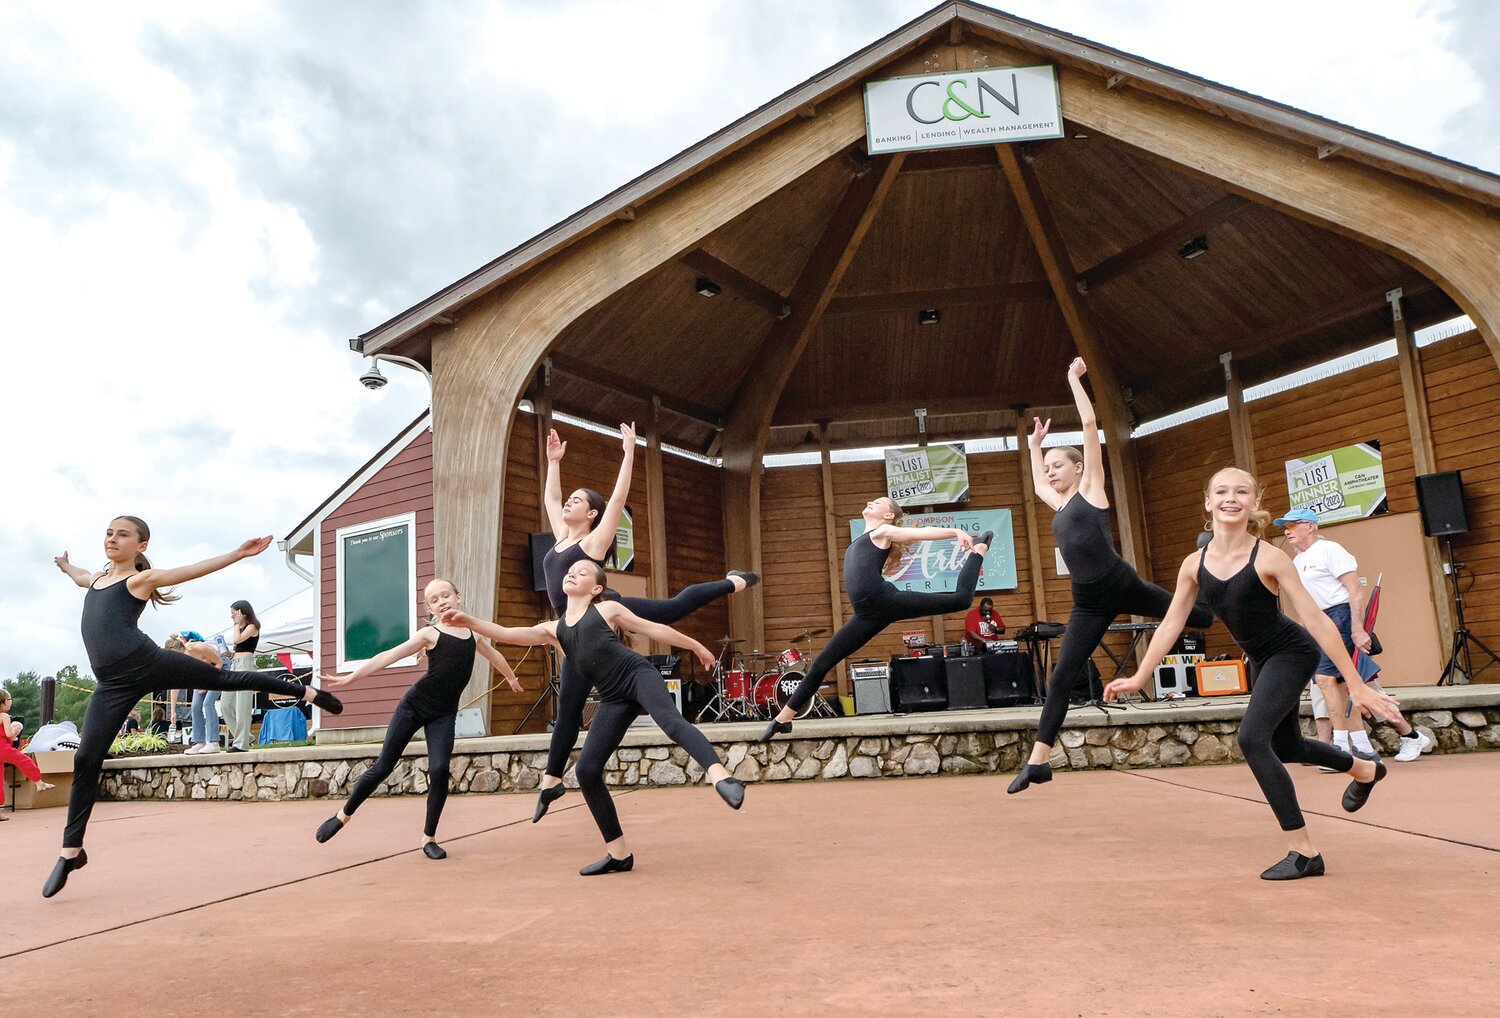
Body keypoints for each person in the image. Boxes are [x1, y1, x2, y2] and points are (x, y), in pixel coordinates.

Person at [1104, 468, 1403, 880]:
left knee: (1251, 738)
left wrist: (1355, 683)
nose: (1231, 497)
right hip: (1261, 656)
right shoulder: (1195, 564)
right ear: (1208, 503)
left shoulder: (1270, 558)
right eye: (1222, 491)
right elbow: (1172, 622)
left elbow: (1315, 621)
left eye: (1241, 491)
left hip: (1292, 651)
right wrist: (1140, 676)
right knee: (1286, 746)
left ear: (1255, 504)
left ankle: (1304, 852)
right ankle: (1366, 769)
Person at [46, 516, 344, 898]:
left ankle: (307, 693)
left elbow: (190, 571)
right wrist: (66, 565)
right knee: (86, 759)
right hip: (111, 685)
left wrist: (238, 553)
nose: (112, 539)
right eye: (108, 532)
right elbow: (81, 576)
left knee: (227, 679)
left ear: (141, 546)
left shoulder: (138, 581)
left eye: (123, 534)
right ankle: (71, 852)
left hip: (147, 662)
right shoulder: (97, 580)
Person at [447, 560, 744, 875]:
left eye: (583, 571)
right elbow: (508, 633)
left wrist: (696, 645)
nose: (572, 572)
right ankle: (618, 854)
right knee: (587, 771)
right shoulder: (554, 630)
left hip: (637, 676)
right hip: (614, 697)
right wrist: (469, 621)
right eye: (570, 570)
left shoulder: (607, 610)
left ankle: (721, 776)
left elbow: (653, 628)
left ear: (597, 588)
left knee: (670, 722)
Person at [1009, 357, 1217, 794]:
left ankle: (1214, 585)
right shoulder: (1058, 504)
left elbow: (1089, 424)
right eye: (1048, 467)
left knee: (1200, 618)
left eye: (1057, 465)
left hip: (1121, 582)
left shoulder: (1090, 490)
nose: (1050, 472)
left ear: (1078, 468)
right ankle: (1039, 761)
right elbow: (1036, 486)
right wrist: (1034, 448)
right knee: (1062, 676)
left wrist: (1072, 380)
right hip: (1088, 601)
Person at [532, 423, 758, 823]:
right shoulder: (560, 538)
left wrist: (629, 452)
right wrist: (553, 462)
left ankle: (732, 582)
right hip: (574, 629)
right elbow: (551, 495)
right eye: (569, 499)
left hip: (602, 608)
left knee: (671, 609)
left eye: (577, 501)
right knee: (568, 705)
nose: (567, 503)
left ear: (592, 514)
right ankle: (551, 780)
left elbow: (619, 498)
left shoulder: (593, 543)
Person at [313, 579, 521, 859]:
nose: (442, 601)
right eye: (434, 600)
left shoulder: (473, 632)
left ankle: (429, 838)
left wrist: (510, 677)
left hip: (444, 714)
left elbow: (494, 654)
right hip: (413, 707)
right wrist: (350, 677)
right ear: (430, 609)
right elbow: (388, 656)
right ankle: (343, 815)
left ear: (458, 597)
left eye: (446, 595)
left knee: (439, 770)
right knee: (383, 766)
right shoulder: (429, 634)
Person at [760, 497, 989, 742]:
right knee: (821, 663)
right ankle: (783, 719)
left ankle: (979, 551)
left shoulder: (882, 532)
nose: (870, 501)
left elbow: (919, 533)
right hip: (866, 615)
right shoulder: (861, 540)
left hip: (885, 600)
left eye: (878, 502)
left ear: (888, 516)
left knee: (961, 600)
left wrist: (954, 531)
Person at [1276, 507, 1433, 764]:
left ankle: (1345, 746)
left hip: (1341, 616)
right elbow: (1304, 602)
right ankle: (1405, 736)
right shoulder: (1296, 562)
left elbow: (1354, 589)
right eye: (1285, 527)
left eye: (1292, 526)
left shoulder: (1330, 550)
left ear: (1310, 526)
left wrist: (1357, 629)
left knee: (1332, 681)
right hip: (1320, 621)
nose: (1287, 532)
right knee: (1350, 684)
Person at [165, 635, 226, 754]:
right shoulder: (177, 662)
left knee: (208, 703)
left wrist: (208, 683)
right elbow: (175, 685)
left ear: (180, 649)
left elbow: (219, 662)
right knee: (195, 706)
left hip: (219, 669)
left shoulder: (198, 648)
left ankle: (213, 742)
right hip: (203, 676)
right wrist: (173, 710)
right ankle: (199, 742)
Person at [1, 689, 55, 817]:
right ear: (4, 702)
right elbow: (9, 734)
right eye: (9, 700)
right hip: (2, 748)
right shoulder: (4, 716)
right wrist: (15, 732)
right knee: (25, 761)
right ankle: (39, 782)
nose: (11, 702)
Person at [221, 600, 261, 753]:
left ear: (242, 612)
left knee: (242, 707)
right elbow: (238, 645)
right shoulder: (239, 627)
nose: (231, 616)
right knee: (225, 705)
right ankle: (246, 736)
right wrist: (229, 653)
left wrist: (237, 624)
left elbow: (237, 640)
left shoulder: (252, 627)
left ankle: (241, 744)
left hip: (246, 665)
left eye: (233, 612)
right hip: (235, 663)